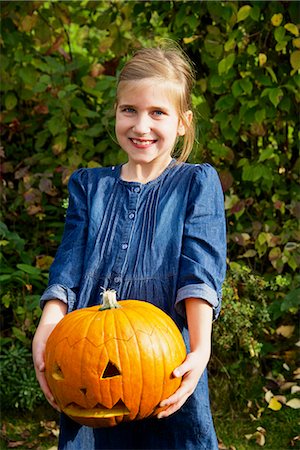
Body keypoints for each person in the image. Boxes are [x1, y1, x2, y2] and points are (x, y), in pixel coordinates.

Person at [32, 45, 226, 450]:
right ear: (116, 113)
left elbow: (200, 272)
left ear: (183, 123)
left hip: (166, 361)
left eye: (158, 113)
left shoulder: (195, 184)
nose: (141, 125)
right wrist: (48, 327)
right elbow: (68, 268)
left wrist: (201, 349)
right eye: (129, 110)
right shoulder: (90, 186)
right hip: (91, 364)